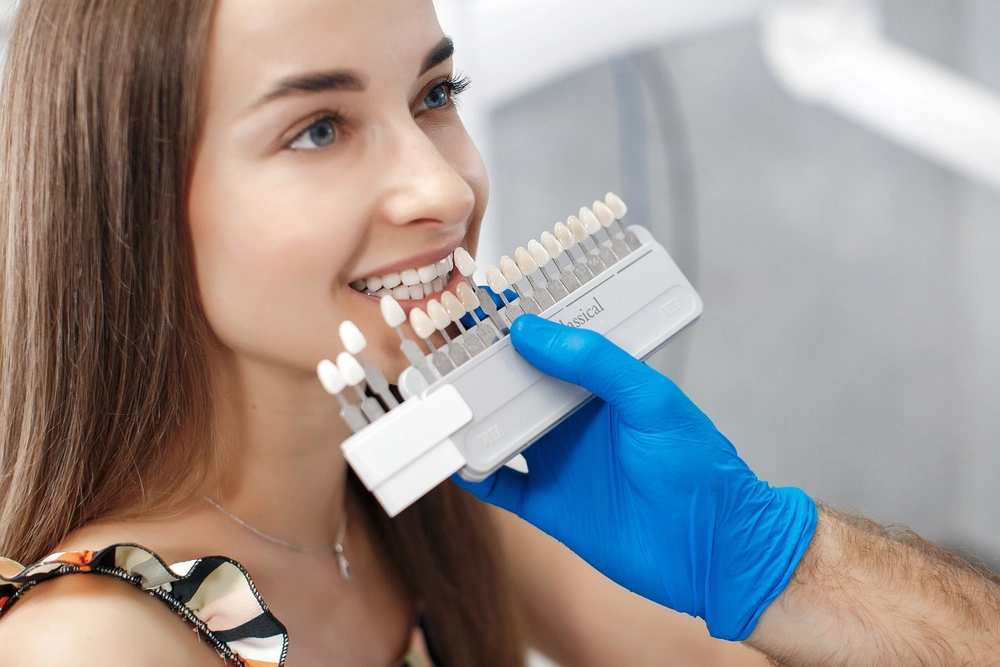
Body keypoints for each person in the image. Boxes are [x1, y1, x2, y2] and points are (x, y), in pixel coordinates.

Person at [0, 1, 771, 665]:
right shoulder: (89, 641)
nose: (445, 188)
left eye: (436, 93)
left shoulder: (451, 497)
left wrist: (756, 560)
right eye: (320, 129)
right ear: (128, 204)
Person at [457, 315, 1000, 666]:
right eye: (364, 134)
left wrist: (760, 559)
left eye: (432, 125)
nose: (447, 190)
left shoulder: (469, 521)